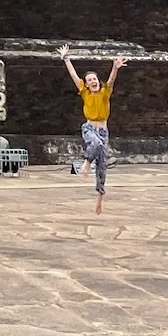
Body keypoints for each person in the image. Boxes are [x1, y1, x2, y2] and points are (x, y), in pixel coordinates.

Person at [59, 45, 127, 214]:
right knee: (94, 143)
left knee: (102, 167)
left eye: (94, 79)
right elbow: (74, 76)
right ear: (87, 84)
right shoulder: (84, 92)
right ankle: (87, 162)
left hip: (104, 131)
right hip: (89, 128)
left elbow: (111, 80)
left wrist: (115, 67)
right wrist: (66, 58)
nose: (93, 82)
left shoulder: (105, 92)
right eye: (89, 80)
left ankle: (99, 199)